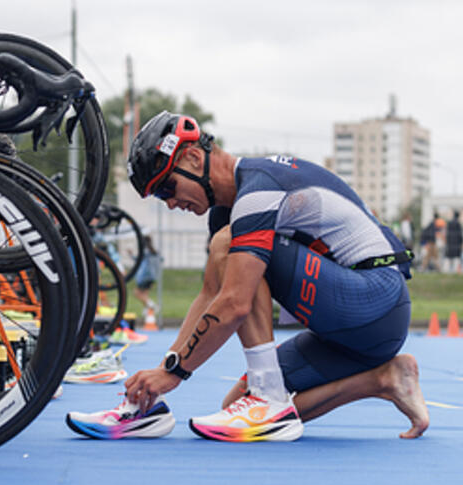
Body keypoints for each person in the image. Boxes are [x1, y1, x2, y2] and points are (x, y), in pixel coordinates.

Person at [67, 111, 428, 442]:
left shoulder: (258, 190)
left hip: (376, 300)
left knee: (232, 248)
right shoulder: (225, 211)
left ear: (193, 158)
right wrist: (163, 372)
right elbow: (210, 296)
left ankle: (268, 398)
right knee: (237, 407)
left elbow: (235, 303)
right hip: (355, 326)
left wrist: (174, 375)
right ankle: (383, 379)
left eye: (166, 188)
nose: (171, 204)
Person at [132, 234, 161, 313]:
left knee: (136, 293)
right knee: (145, 295)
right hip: (152, 277)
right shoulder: (154, 252)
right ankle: (148, 311)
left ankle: (152, 305)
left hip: (145, 276)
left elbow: (138, 260)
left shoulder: (145, 252)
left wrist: (131, 254)